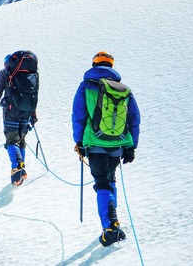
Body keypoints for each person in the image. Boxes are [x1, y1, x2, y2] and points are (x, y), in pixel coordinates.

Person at [72, 51, 141, 247]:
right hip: (117, 144)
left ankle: (110, 228)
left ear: (94, 65)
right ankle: (113, 221)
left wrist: (79, 142)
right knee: (110, 181)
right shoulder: (124, 90)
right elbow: (134, 118)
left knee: (102, 184)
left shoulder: (86, 86)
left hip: (95, 144)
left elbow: (78, 115)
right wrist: (131, 146)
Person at [0, 50, 39, 186]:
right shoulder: (31, 75)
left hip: (11, 110)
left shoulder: (5, 73)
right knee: (21, 141)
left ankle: (17, 169)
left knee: (12, 140)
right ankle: (21, 170)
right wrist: (33, 113)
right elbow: (35, 93)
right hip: (27, 110)